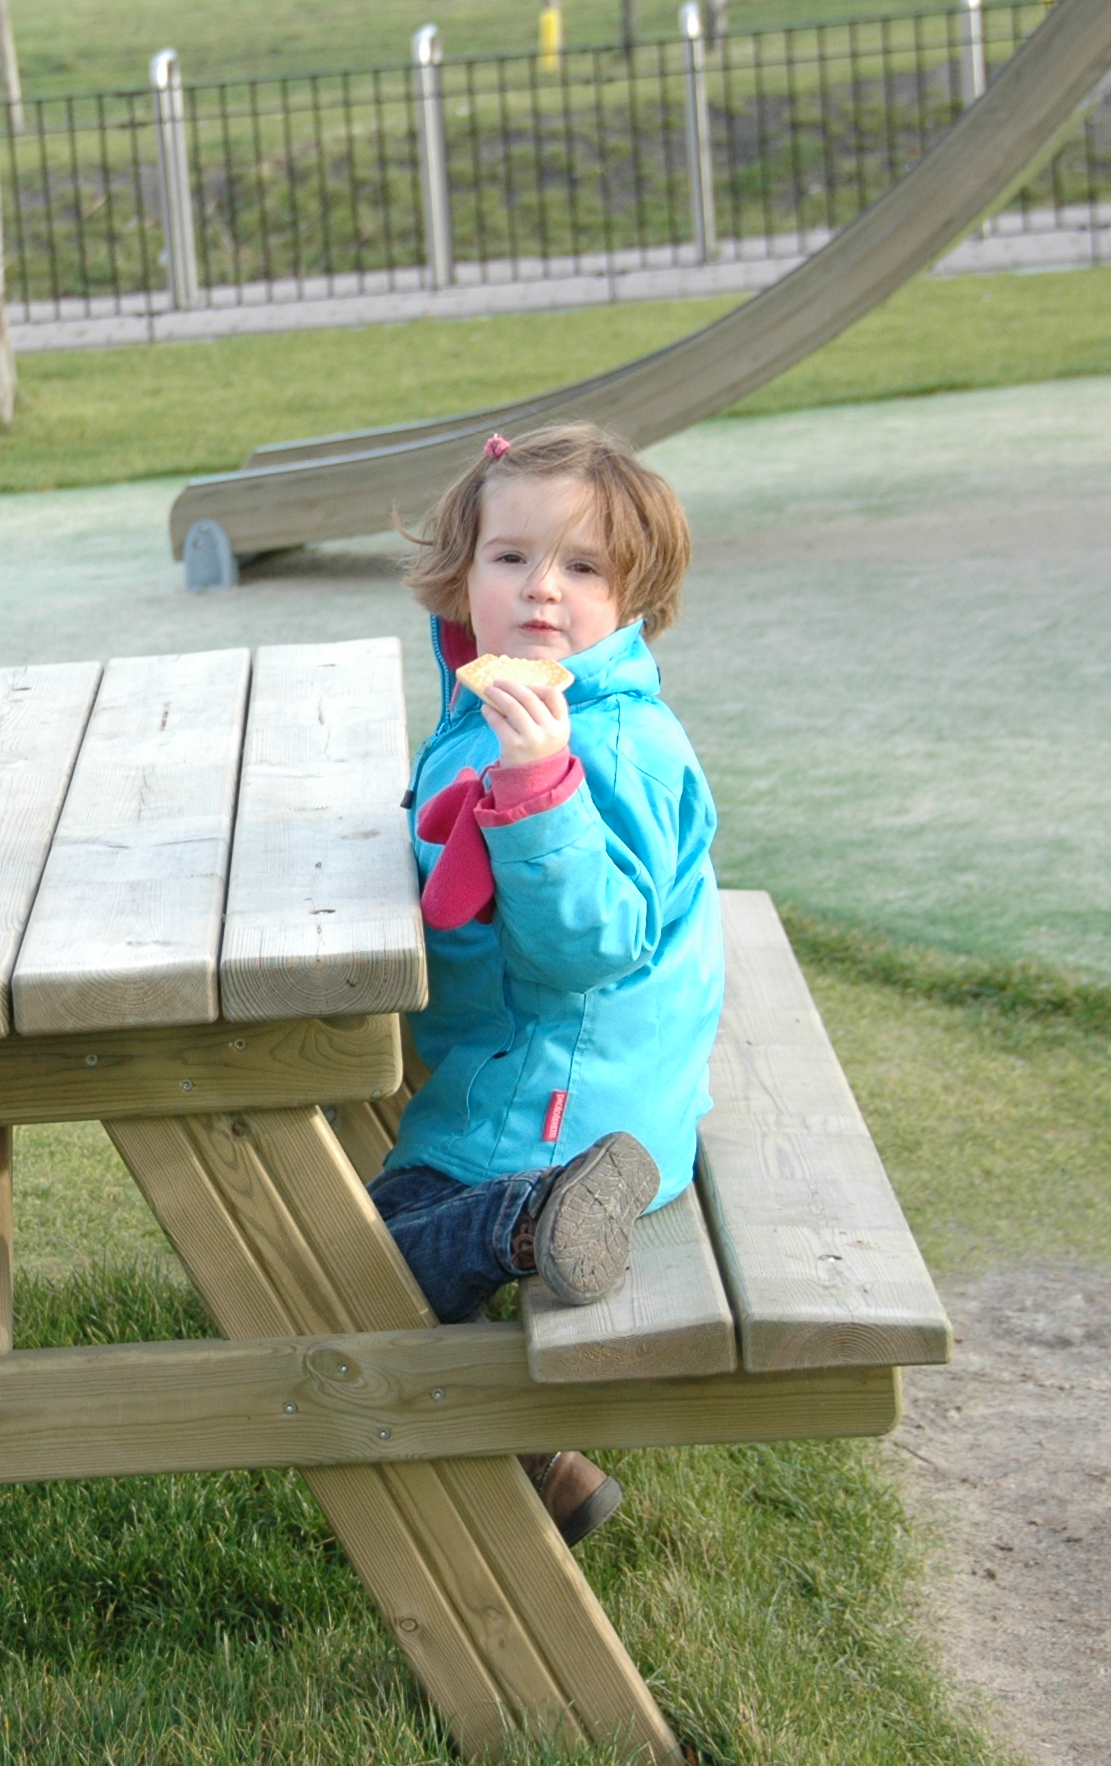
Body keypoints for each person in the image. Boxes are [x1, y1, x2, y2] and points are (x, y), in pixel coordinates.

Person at [380, 424, 723, 1543]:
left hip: (558, 1115)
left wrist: (540, 797)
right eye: (511, 558)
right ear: (462, 575)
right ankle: (548, 1470)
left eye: (582, 567)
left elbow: (591, 947)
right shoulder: (500, 697)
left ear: (632, 599)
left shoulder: (599, 747)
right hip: (560, 1083)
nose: (541, 589)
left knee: (356, 1263)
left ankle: (530, 1220)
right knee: (350, 1250)